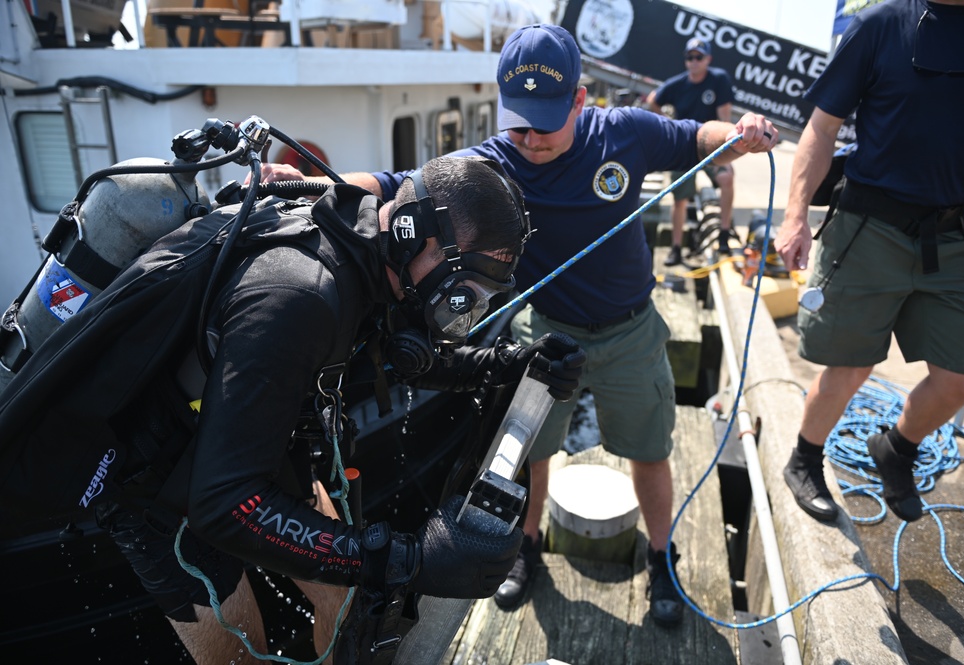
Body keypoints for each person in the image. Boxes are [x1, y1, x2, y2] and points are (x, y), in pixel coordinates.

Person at [262, 23, 778, 627]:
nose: (530, 138)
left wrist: (739, 136)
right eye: (519, 120)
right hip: (547, 328)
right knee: (534, 452)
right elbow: (396, 182)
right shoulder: (494, 158)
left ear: (581, 101)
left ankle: (662, 558)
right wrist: (310, 184)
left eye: (546, 121)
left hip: (630, 327)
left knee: (649, 451)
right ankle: (525, 547)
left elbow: (697, 137)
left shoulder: (626, 133)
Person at [0, 155, 586, 663]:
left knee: (348, 601)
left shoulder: (369, 249)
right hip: (159, 481)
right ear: (412, 234)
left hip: (256, 441)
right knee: (239, 655)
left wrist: (507, 362)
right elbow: (224, 504)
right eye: (468, 289)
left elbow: (396, 358)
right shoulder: (299, 298)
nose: (468, 307)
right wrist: (408, 559)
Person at [775, 0, 964, 524]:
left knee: (961, 381)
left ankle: (896, 448)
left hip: (953, 232)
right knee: (851, 365)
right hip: (869, 225)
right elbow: (821, 128)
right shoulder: (879, 24)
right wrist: (795, 217)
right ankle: (803, 459)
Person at [645, 37, 737, 266]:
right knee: (680, 198)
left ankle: (725, 234)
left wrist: (728, 151)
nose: (694, 61)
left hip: (712, 145)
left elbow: (725, 115)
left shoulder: (719, 80)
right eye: (690, 57)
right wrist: (666, 123)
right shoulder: (676, 84)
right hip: (685, 145)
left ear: (708, 59)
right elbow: (652, 100)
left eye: (699, 57)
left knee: (727, 178)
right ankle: (676, 248)